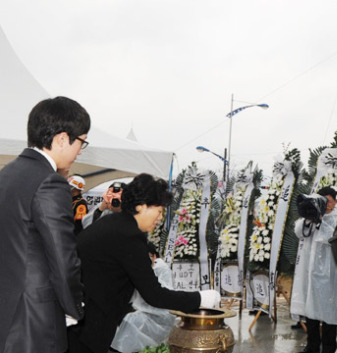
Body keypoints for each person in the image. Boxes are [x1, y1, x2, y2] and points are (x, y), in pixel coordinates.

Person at [68, 173, 221, 353]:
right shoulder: (128, 236)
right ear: (141, 207)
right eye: (159, 211)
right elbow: (154, 294)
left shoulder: (113, 223)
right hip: (86, 327)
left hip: (77, 320)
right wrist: (201, 298)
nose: (160, 217)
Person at [0, 96, 90, 353]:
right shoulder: (50, 183)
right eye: (81, 142)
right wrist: (73, 308)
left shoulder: (6, 174)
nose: (79, 151)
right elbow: (64, 259)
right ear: (63, 138)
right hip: (35, 322)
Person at [290, 187, 337, 353]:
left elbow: (331, 238)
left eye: (329, 201)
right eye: (322, 201)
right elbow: (299, 231)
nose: (326, 205)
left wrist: (321, 221)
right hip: (308, 271)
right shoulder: (310, 216)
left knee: (329, 310)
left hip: (328, 272)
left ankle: (329, 347)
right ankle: (312, 346)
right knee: (310, 309)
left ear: (335, 202)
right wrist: (309, 218)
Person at [110, 242, 176, 353]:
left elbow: (162, 297)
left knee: (131, 320)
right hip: (142, 310)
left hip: (159, 315)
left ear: (154, 256)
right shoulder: (140, 269)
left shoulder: (161, 269)